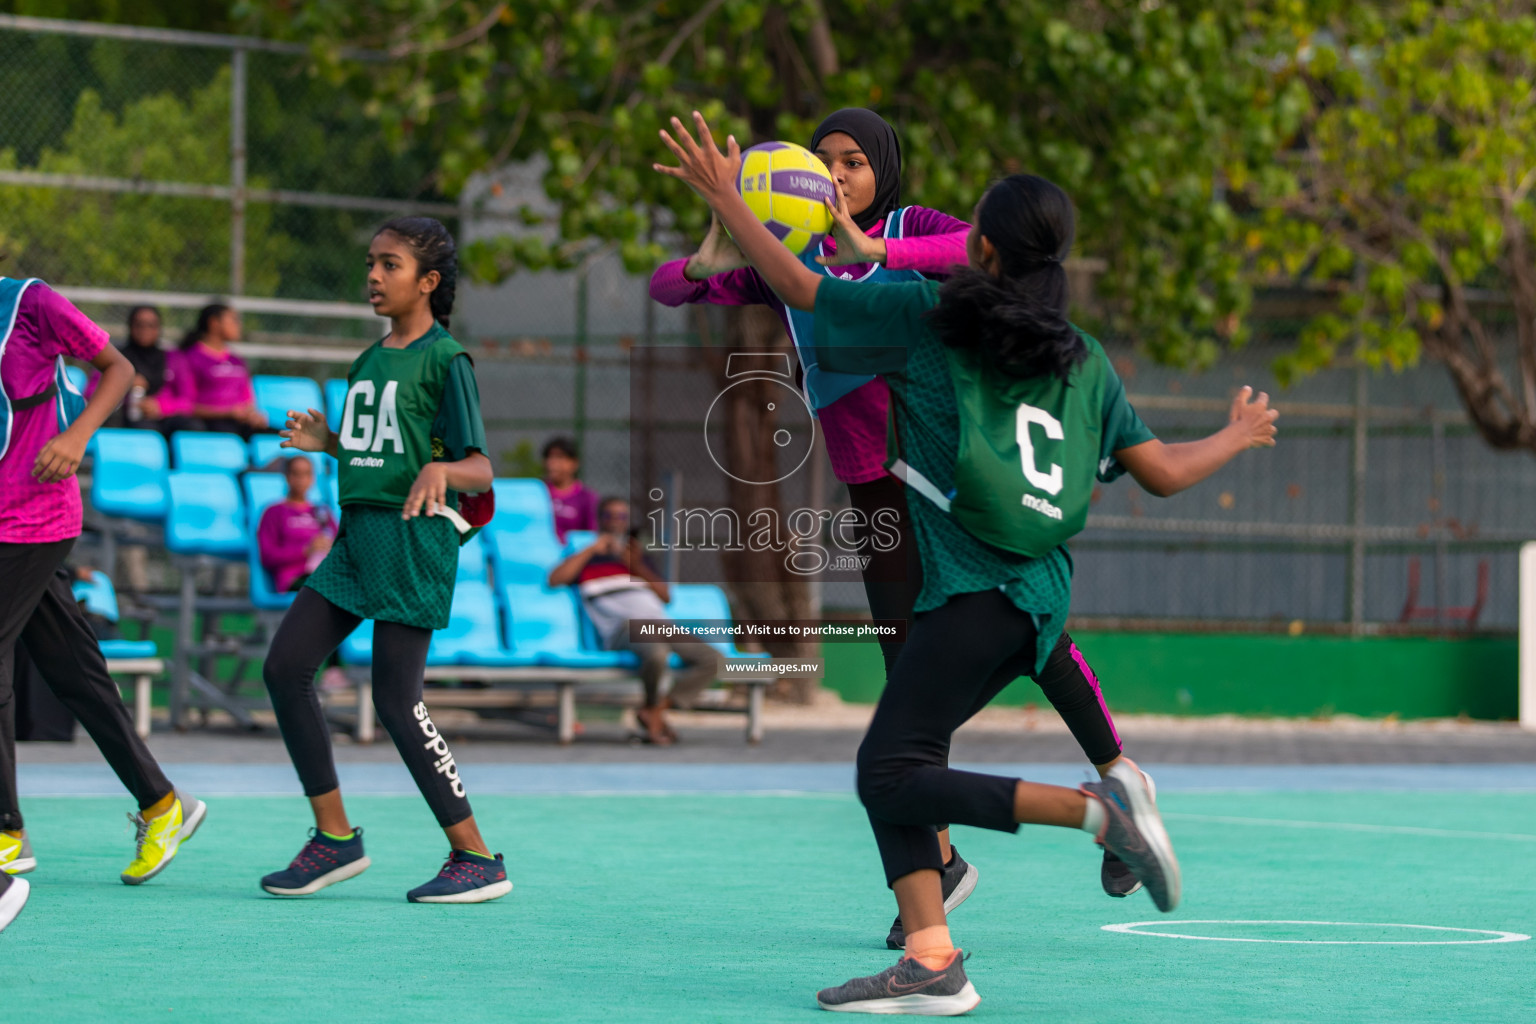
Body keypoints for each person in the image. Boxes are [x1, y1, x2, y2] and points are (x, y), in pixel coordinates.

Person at [657, 113, 1279, 1013]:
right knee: (898, 760)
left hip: (971, 590)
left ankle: (1100, 813)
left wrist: (727, 197)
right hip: (1037, 594)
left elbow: (798, 282)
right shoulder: (1083, 358)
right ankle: (933, 953)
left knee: (892, 769)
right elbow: (1166, 475)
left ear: (977, 246)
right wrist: (1235, 431)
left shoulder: (925, 319)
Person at [259, 216, 510, 904]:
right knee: (284, 668)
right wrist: (332, 444)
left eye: (389, 265)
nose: (373, 276)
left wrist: (445, 476)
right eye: (370, 262)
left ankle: (477, 856)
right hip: (358, 537)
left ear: (427, 282)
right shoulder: (368, 361)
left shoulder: (446, 359)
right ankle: (334, 838)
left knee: (396, 701)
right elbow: (385, 452)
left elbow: (480, 466)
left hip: (412, 538)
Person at [0, 272, 208, 893]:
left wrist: (76, 434)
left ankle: (6, 832)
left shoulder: (29, 302)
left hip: (35, 513)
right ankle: (162, 803)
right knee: (75, 672)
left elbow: (118, 369)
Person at [547, 497, 724, 745]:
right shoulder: (586, 557)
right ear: (601, 520)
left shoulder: (635, 557)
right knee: (657, 654)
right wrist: (591, 549)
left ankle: (655, 710)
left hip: (659, 624)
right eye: (611, 516)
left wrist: (636, 565)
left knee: (714, 660)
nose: (616, 522)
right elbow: (555, 579)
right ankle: (653, 714)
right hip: (623, 628)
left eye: (622, 517)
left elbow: (665, 596)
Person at [175, 303, 267, 439]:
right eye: (233, 320)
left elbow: (247, 398)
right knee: (227, 433)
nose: (239, 325)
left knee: (280, 436)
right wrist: (227, 413)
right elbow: (187, 404)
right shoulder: (191, 358)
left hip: (239, 422)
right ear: (214, 323)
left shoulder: (237, 360)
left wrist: (253, 415)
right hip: (212, 423)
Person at [110, 305, 197, 433]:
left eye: (151, 325)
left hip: (166, 417)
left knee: (192, 427)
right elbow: (92, 392)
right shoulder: (117, 358)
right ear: (130, 326)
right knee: (144, 428)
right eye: (139, 324)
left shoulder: (174, 358)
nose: (145, 330)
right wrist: (124, 386)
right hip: (128, 416)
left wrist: (160, 407)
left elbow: (189, 401)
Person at [257, 457, 335, 593]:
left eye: (306, 474)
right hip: (295, 579)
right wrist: (305, 550)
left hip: (324, 574)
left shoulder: (322, 512)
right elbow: (268, 556)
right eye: (296, 473)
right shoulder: (274, 512)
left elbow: (340, 544)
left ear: (313, 478)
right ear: (287, 476)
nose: (301, 479)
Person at [542, 435, 599, 541]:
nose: (552, 463)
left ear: (574, 463)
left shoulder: (587, 498)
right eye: (549, 457)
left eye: (559, 457)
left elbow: (591, 536)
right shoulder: (538, 492)